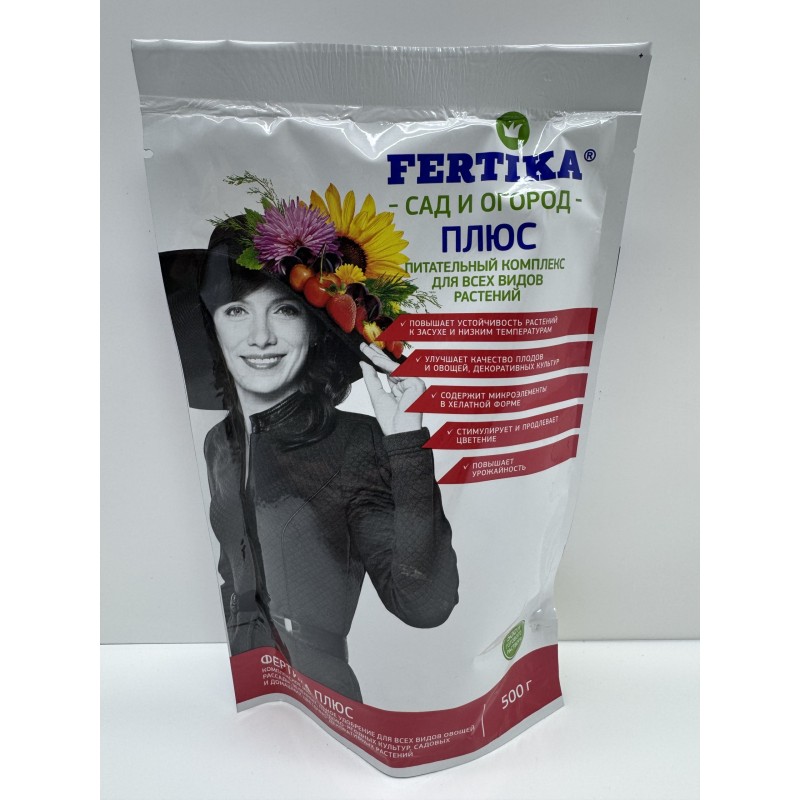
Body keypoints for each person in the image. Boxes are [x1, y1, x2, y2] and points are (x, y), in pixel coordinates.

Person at [165, 222, 459, 703]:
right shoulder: (220, 443)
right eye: (236, 310)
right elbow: (232, 576)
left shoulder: (357, 442)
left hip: (317, 689)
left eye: (284, 309)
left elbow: (424, 604)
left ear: (312, 328)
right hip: (240, 675)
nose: (261, 337)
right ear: (212, 325)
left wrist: (406, 444)